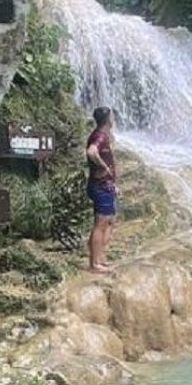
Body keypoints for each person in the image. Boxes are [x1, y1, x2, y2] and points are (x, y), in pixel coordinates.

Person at [85, 106, 117, 273]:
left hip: (105, 186)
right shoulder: (100, 136)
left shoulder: (102, 135)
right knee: (101, 223)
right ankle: (94, 264)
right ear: (108, 120)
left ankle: (100, 257)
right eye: (112, 117)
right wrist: (104, 166)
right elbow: (91, 152)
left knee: (109, 222)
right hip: (100, 187)